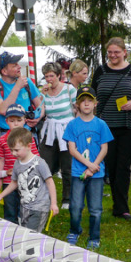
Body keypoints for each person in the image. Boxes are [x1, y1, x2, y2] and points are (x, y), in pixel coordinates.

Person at [91, 37, 131, 221]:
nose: (113, 55)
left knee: (123, 167)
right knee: (110, 166)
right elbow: (92, 96)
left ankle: (122, 208)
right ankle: (116, 204)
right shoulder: (100, 71)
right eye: (110, 52)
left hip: (127, 126)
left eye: (117, 52)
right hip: (105, 127)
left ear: (125, 52)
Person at [64, 86, 113, 250]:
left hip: (96, 175)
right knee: (75, 206)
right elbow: (72, 149)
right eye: (82, 101)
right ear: (77, 105)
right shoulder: (72, 125)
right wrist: (89, 165)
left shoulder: (101, 125)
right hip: (78, 173)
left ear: (95, 103)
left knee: (95, 209)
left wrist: (93, 168)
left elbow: (104, 149)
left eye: (89, 101)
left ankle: (94, 236)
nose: (86, 104)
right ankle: (75, 230)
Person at [0, 127, 59, 232]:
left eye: (16, 150)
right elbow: (14, 182)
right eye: (11, 150)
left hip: (39, 208)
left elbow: (50, 182)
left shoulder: (40, 163)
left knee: (32, 235)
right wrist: (1, 195)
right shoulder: (17, 163)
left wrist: (53, 203)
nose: (13, 153)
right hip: (25, 207)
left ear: (28, 146)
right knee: (24, 233)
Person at [0, 104, 41, 223]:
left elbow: (36, 158)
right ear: (6, 121)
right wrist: (0, 178)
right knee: (9, 208)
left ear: (24, 120)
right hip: (9, 180)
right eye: (12, 121)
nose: (16, 124)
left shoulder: (28, 138)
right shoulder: (3, 139)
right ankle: (10, 230)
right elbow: (1, 159)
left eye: (19, 120)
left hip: (26, 179)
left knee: (26, 207)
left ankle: (25, 228)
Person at [39, 61, 77, 209]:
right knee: (45, 166)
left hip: (67, 131)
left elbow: (77, 108)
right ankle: (46, 197)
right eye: (46, 76)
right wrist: (41, 97)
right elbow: (41, 112)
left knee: (67, 167)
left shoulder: (69, 89)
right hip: (49, 132)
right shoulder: (43, 92)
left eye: (51, 76)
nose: (49, 79)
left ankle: (67, 198)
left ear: (59, 76)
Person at [0, 51, 43, 136]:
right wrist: (17, 87)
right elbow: (3, 110)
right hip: (7, 134)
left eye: (18, 64)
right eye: (14, 65)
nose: (19, 67)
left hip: (28, 132)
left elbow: (40, 104)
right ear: (4, 71)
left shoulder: (27, 82)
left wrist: (38, 118)